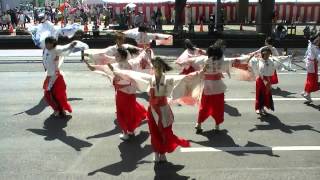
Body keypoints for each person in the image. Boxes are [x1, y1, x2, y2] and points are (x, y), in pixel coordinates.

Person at [111, 57, 190, 162]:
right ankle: (157, 153)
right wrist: (114, 70)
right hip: (152, 109)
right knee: (154, 132)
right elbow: (132, 75)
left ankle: (162, 152)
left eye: (157, 67)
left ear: (162, 68)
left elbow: (171, 91)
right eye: (154, 67)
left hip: (163, 110)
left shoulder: (168, 80)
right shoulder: (150, 78)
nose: (155, 69)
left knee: (165, 133)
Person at [83, 47, 147, 141]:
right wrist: (145, 51)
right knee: (130, 112)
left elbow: (101, 68)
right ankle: (130, 130)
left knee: (122, 113)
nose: (115, 56)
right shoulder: (132, 63)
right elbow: (140, 58)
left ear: (122, 56)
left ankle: (126, 132)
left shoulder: (117, 66)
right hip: (131, 93)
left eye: (117, 55)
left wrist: (91, 66)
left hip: (123, 94)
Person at [193, 45, 231, 134]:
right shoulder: (222, 61)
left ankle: (199, 124)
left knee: (204, 106)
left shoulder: (204, 60)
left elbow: (193, 61)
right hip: (218, 88)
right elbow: (232, 61)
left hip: (207, 88)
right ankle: (217, 126)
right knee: (218, 107)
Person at [42, 37, 77, 117]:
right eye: (46, 43)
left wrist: (70, 46)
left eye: (48, 43)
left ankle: (62, 110)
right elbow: (45, 61)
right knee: (47, 95)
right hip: (49, 76)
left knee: (59, 95)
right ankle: (57, 109)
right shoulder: (46, 49)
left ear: (52, 43)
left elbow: (64, 48)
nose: (46, 45)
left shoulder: (56, 50)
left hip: (56, 76)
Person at [249, 47, 276, 115]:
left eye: (268, 54)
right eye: (266, 54)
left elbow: (279, 61)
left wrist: (289, 57)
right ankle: (258, 108)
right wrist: (251, 56)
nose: (267, 56)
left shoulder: (271, 61)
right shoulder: (257, 60)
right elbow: (250, 61)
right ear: (262, 54)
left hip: (267, 80)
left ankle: (263, 107)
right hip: (260, 80)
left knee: (266, 95)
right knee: (260, 94)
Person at [301, 34, 320, 102]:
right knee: (312, 80)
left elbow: (307, 53)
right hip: (312, 64)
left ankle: (305, 92)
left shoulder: (310, 44)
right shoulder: (315, 48)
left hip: (309, 63)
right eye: (317, 40)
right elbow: (319, 57)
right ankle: (307, 93)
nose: (318, 41)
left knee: (309, 78)